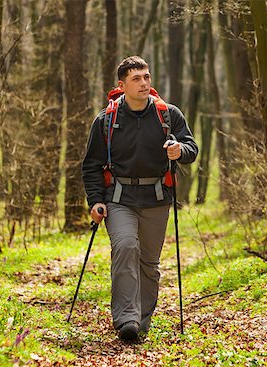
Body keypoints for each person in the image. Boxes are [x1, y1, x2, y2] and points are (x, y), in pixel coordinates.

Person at [82, 56, 198, 342]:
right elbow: (91, 164)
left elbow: (191, 148)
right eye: (137, 78)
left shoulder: (168, 115)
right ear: (122, 85)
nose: (145, 83)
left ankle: (141, 322)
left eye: (147, 77)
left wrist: (178, 151)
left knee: (149, 263)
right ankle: (126, 320)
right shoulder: (106, 120)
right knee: (125, 247)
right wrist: (96, 200)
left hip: (157, 198)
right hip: (119, 199)